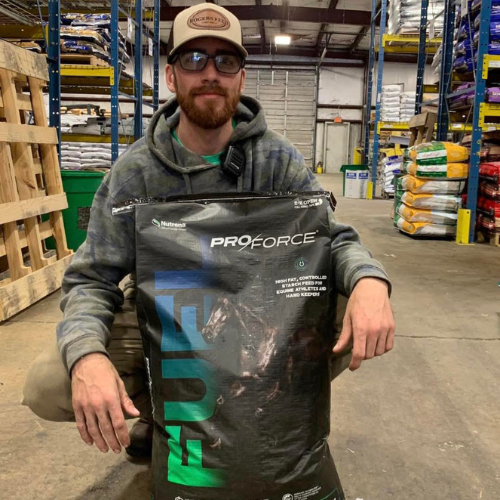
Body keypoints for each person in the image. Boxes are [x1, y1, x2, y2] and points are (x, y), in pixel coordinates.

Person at [22, 3, 395, 460]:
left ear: (241, 76)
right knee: (48, 382)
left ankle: (263, 419)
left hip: (258, 319)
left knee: (345, 307)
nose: (210, 73)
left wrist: (370, 280)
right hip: (169, 329)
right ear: (171, 75)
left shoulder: (276, 160)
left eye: (226, 60)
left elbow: (332, 238)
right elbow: (91, 279)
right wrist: (86, 357)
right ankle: (160, 419)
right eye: (194, 59)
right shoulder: (134, 174)